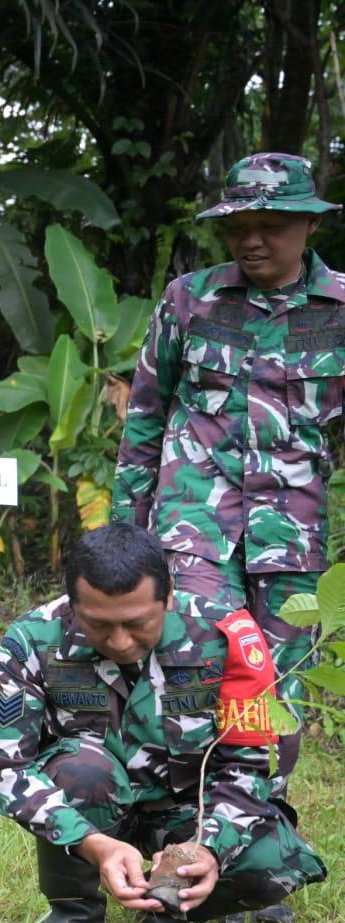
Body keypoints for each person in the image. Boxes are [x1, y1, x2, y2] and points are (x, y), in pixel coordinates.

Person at [0, 523, 325, 923]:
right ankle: (74, 912)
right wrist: (93, 843)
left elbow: (248, 766)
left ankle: (173, 908)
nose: (120, 641)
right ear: (73, 603)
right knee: (80, 768)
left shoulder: (226, 637)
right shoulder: (33, 639)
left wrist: (212, 848)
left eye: (137, 623)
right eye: (98, 624)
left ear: (168, 597)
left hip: (186, 816)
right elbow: (5, 767)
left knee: (272, 861)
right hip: (93, 814)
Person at [112, 152, 344, 786]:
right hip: (194, 533)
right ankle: (176, 838)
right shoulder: (190, 301)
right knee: (193, 675)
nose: (251, 239)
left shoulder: (341, 311)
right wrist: (123, 536)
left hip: (293, 543)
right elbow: (144, 426)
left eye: (271, 223)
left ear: (310, 226)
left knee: (277, 696)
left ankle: (255, 854)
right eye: (237, 224)